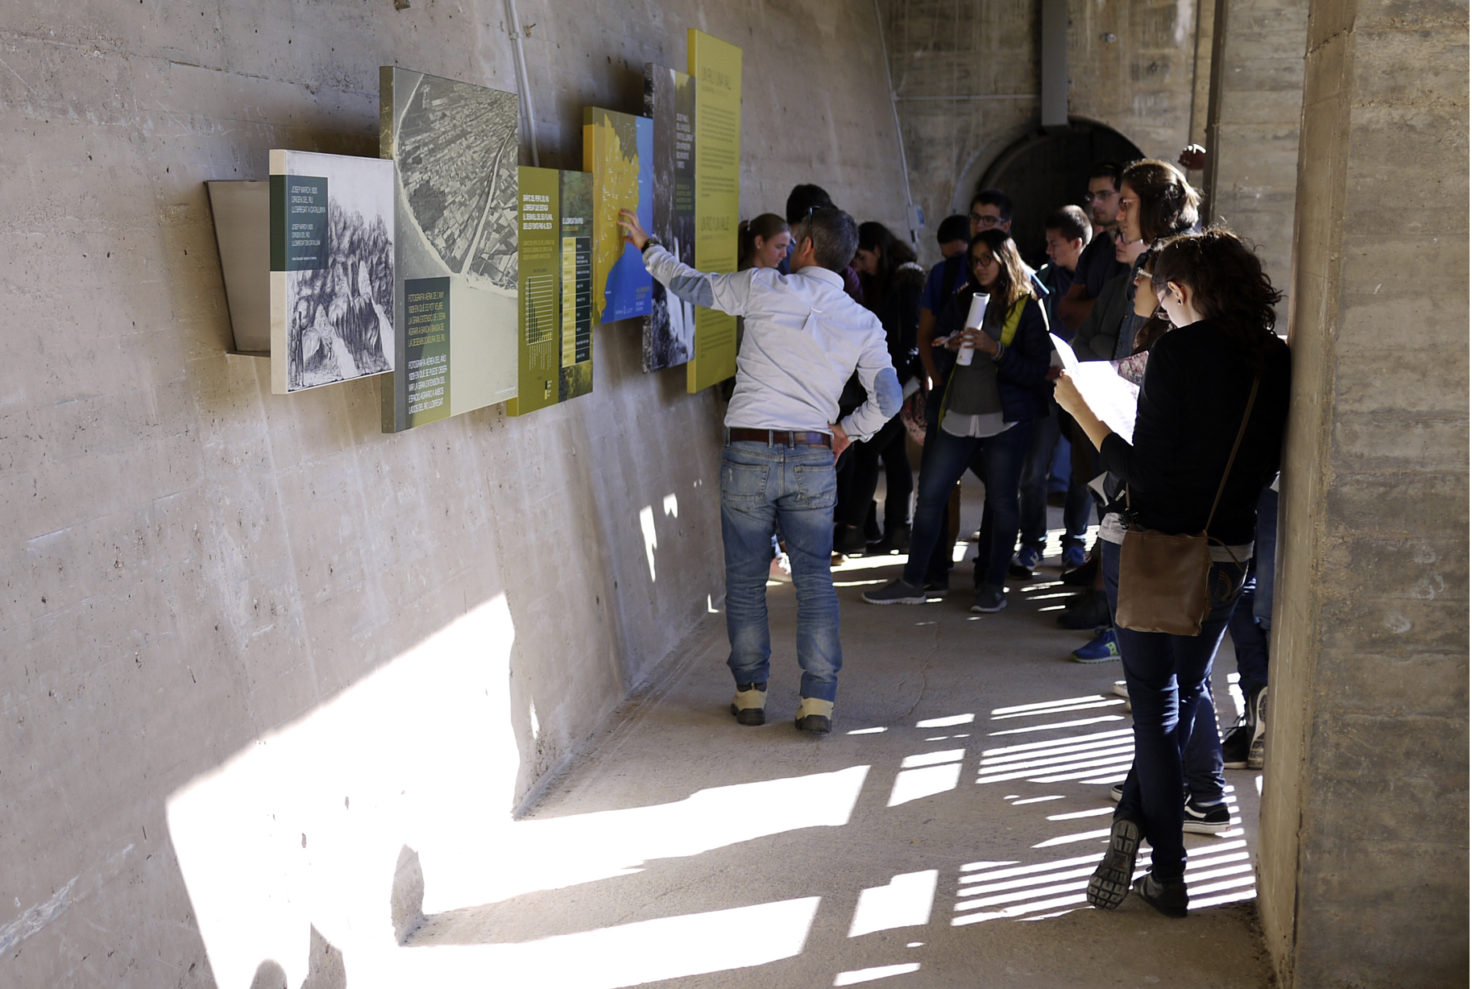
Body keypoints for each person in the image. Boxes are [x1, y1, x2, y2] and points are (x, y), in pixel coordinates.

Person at [1054, 229, 1291, 918]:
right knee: (1183, 700)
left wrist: (1086, 416)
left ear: (1180, 291)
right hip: (1231, 554)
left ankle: (1171, 870)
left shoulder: (1178, 351)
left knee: (1157, 716)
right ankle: (1136, 822)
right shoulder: (1274, 357)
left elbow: (1148, 477)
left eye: (1161, 294)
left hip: (1159, 551)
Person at [618, 205, 900, 734]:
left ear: (809, 247)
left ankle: (750, 693)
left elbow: (693, 287)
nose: (790, 246)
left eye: (795, 240)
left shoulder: (765, 287)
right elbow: (888, 396)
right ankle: (817, 700)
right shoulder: (863, 321)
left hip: (748, 449)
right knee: (815, 579)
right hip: (814, 455)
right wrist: (847, 431)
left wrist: (647, 245)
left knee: (746, 580)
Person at [863, 229, 1052, 614]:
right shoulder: (964, 297)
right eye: (976, 260)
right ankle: (914, 580)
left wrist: (994, 348)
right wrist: (948, 345)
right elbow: (939, 339)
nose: (980, 266)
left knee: (1002, 501)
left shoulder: (1026, 306)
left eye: (988, 259)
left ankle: (993, 586)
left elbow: (1037, 370)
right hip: (956, 413)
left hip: (1005, 420)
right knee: (930, 496)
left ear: (1005, 259)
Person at [1013, 205, 1093, 578]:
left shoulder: (1100, 279)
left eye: (1054, 244)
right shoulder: (1043, 280)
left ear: (1077, 243)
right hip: (1047, 388)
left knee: (1082, 473)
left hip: (1087, 391)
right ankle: (1031, 544)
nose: (1048, 251)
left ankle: (1074, 543)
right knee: (1033, 472)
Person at [837, 222, 926, 555]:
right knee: (892, 453)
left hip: (899, 384)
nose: (859, 266)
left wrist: (892, 387)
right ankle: (896, 529)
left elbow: (908, 340)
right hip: (889, 381)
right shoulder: (885, 280)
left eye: (862, 257)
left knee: (867, 449)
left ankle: (854, 530)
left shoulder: (907, 279)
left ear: (878, 250)